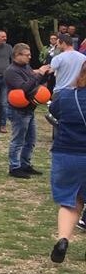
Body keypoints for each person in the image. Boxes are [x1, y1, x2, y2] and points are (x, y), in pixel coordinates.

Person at [48, 60, 86, 263]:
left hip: (67, 153)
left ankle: (63, 239)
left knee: (70, 201)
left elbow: (54, 111)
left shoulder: (66, 96)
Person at [4, 43, 50, 178]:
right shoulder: (11, 71)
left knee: (31, 140)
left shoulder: (26, 67)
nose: (30, 57)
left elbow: (35, 83)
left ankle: (25, 164)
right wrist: (38, 73)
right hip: (18, 111)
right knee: (18, 140)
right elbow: (24, 88)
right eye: (27, 55)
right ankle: (14, 167)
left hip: (29, 109)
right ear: (17, 55)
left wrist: (44, 74)